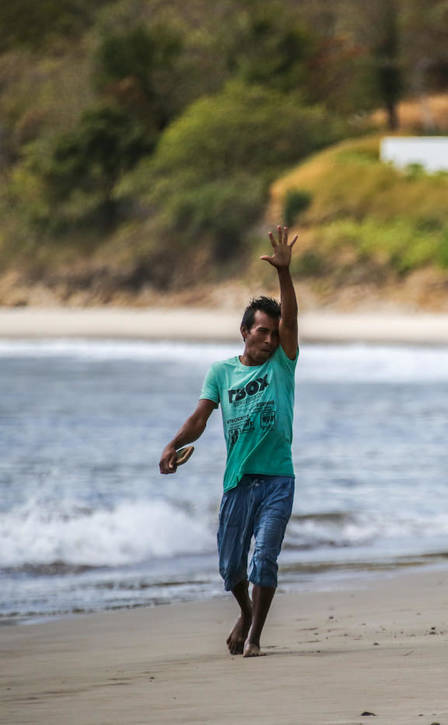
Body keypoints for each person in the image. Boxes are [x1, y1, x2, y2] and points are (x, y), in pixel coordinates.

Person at [159, 225, 299, 657]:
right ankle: (245, 611)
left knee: (264, 562)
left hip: (277, 479)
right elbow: (201, 417)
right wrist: (171, 446)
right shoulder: (221, 372)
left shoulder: (283, 364)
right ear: (244, 331)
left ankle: (255, 635)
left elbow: (291, 318)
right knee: (230, 567)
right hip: (238, 482)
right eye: (262, 332)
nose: (269, 339)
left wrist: (284, 275)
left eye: (274, 334)